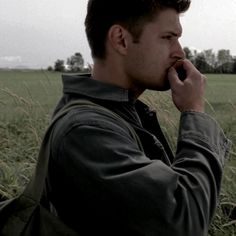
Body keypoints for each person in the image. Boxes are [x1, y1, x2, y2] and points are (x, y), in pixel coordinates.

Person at [46, 0, 231, 235]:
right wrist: (194, 111)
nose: (179, 52)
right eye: (168, 37)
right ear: (121, 39)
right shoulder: (85, 130)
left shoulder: (119, 112)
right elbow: (187, 222)